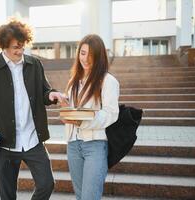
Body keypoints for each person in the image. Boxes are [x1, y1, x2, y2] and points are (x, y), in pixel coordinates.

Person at [0, 18, 67, 200]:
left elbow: (44, 91)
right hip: (4, 144)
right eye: (16, 47)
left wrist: (52, 95)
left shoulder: (34, 64)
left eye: (22, 46)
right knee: (7, 196)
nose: (20, 51)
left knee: (47, 184)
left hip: (33, 140)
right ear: (3, 45)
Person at [61, 34, 120, 200]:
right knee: (80, 196)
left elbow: (111, 113)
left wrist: (83, 121)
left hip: (95, 145)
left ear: (99, 57)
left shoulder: (108, 81)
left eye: (91, 55)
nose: (86, 59)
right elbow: (73, 111)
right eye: (83, 53)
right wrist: (67, 112)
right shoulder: (74, 81)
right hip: (73, 144)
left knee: (90, 197)